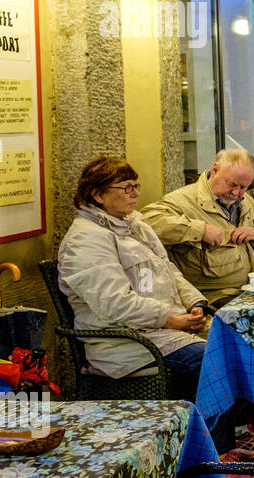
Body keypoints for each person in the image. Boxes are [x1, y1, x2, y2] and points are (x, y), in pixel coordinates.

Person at [57, 157, 210, 380]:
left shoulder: (136, 226)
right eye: (126, 188)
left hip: (166, 330)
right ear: (98, 195)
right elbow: (115, 303)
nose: (136, 194)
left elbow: (170, 271)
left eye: (135, 186)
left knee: (241, 340)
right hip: (127, 345)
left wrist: (194, 304)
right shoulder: (85, 239)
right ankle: (211, 415)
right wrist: (168, 319)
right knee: (219, 359)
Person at [139, 149, 254, 309]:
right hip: (215, 296)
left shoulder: (245, 201)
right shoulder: (183, 201)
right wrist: (198, 230)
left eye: (243, 187)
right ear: (214, 170)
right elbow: (145, 223)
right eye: (232, 184)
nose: (236, 193)